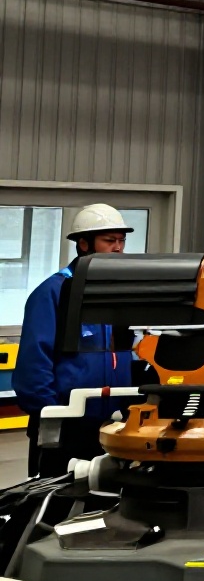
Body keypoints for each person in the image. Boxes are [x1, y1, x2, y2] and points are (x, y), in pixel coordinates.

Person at [15, 204, 136, 477]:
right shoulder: (53, 293)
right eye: (109, 240)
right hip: (66, 423)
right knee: (56, 500)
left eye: (121, 240)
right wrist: (52, 412)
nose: (118, 248)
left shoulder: (122, 293)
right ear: (84, 244)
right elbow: (34, 362)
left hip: (114, 424)